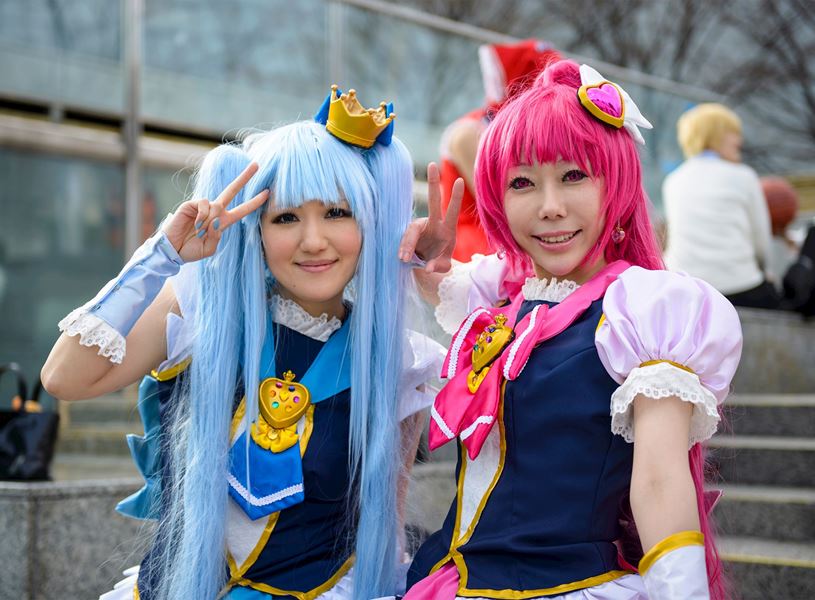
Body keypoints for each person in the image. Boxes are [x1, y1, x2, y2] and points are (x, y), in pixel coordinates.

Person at [41, 87, 455, 600]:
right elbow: (64, 378)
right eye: (285, 218)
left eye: (336, 213)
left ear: (367, 223)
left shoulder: (398, 363)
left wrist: (429, 282)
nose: (313, 241)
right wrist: (163, 256)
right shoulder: (199, 313)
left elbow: (385, 522)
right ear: (255, 230)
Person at [400, 61, 742, 600]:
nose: (550, 207)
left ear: (618, 183)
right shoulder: (507, 301)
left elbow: (657, 481)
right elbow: (449, 280)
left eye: (574, 175)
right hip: (447, 582)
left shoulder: (646, 311)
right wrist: (423, 258)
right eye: (522, 183)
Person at [439, 39, 560, 262]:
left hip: (508, 248)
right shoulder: (470, 133)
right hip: (475, 253)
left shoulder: (509, 132)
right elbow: (499, 203)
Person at [662, 103, 778, 309]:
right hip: (741, 288)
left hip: (687, 291)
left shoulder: (673, 181)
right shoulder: (744, 176)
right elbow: (761, 242)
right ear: (714, 136)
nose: (739, 141)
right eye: (732, 133)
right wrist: (766, 270)